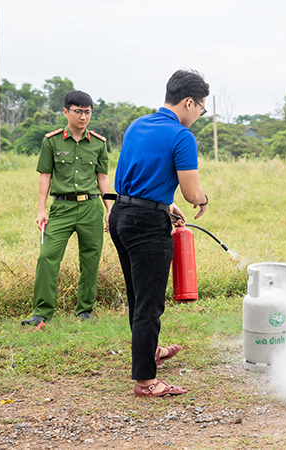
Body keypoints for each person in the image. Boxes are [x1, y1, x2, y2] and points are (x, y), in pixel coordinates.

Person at [108, 69, 209, 398]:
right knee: (150, 303)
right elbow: (192, 192)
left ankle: (148, 353)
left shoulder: (137, 124)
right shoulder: (182, 136)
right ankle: (146, 382)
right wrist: (202, 199)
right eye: (202, 108)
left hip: (121, 215)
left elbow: (139, 175)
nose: (200, 114)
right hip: (146, 225)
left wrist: (166, 203)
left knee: (138, 296)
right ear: (189, 102)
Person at [21, 91, 112, 326]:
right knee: (47, 257)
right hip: (62, 207)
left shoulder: (99, 143)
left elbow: (102, 178)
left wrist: (110, 210)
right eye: (78, 111)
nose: (83, 117)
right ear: (66, 112)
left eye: (87, 112)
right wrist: (41, 210)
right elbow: (45, 175)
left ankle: (85, 311)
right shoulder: (52, 141)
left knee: (90, 259)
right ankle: (41, 312)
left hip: (91, 207)